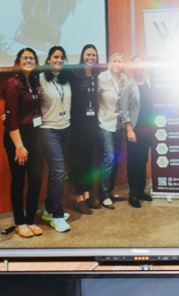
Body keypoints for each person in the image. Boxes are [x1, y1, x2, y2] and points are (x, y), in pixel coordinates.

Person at [3, 47, 45, 238]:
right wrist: (19, 146)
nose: (28, 61)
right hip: (17, 138)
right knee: (19, 181)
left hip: (33, 134)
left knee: (36, 178)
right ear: (18, 61)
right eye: (24, 58)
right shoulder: (13, 83)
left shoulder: (32, 81)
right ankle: (20, 222)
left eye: (32, 58)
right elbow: (11, 119)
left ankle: (30, 220)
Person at [35, 46, 72, 232]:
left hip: (65, 128)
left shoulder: (65, 79)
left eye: (61, 57)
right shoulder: (41, 79)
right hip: (49, 130)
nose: (59, 60)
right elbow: (30, 101)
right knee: (58, 172)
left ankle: (49, 210)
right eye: (55, 57)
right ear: (49, 59)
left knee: (55, 173)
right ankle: (57, 216)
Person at [66, 44, 104, 215]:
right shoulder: (74, 74)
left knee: (89, 161)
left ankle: (88, 196)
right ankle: (79, 198)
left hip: (92, 124)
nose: (91, 57)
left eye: (94, 55)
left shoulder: (97, 75)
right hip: (77, 125)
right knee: (78, 163)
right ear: (82, 56)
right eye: (88, 54)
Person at [96, 50, 134, 207]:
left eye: (120, 61)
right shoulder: (101, 78)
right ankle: (103, 194)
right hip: (105, 123)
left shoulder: (125, 79)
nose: (117, 64)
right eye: (114, 61)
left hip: (119, 125)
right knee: (109, 158)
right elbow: (94, 98)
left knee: (116, 159)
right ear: (110, 63)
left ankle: (111, 190)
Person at [125, 55, 156, 206]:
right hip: (134, 129)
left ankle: (141, 190)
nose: (139, 67)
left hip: (147, 129)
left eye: (141, 64)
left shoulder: (147, 83)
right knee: (133, 162)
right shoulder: (128, 85)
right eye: (136, 64)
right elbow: (124, 110)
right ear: (132, 67)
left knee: (143, 160)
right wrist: (129, 129)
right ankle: (133, 194)